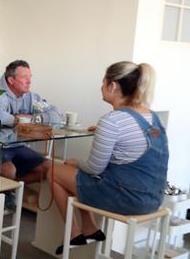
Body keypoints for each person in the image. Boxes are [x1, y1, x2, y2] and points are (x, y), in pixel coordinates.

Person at [48, 62, 168, 254]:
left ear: (113, 86)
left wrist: (75, 162)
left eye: (103, 82)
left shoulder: (112, 121)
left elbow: (95, 168)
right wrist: (105, 133)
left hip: (128, 199)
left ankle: (74, 233)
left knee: (54, 170)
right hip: (154, 198)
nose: (101, 87)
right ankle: (89, 229)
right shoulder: (153, 117)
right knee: (77, 175)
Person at [0, 60, 61, 183]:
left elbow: (57, 114)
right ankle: (7, 196)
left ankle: (12, 188)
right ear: (11, 80)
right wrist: (18, 120)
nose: (29, 81)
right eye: (24, 77)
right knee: (8, 170)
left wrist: (34, 119)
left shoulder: (31, 97)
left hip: (16, 146)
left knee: (50, 169)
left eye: (30, 77)